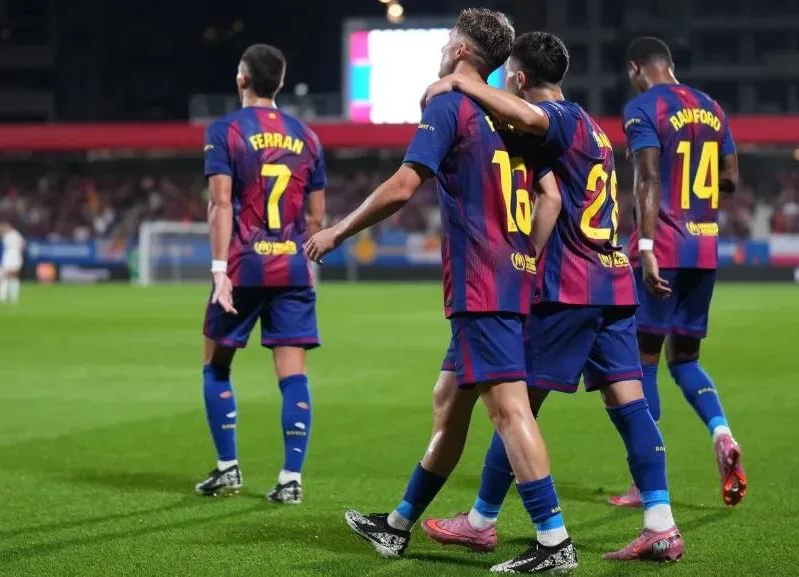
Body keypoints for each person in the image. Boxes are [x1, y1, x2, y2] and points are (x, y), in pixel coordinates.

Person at [305, 9, 578, 574]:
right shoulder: (519, 116)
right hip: (508, 275)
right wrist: (525, 251)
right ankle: (399, 526)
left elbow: (404, 186)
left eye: (448, 40)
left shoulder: (450, 104)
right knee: (448, 401)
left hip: (482, 280)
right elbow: (550, 193)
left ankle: (555, 541)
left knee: (508, 409)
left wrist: (335, 230)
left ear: (459, 51)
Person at [418, 31, 684, 562]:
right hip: (613, 280)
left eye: (506, 77)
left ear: (518, 78)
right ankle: (661, 522)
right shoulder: (595, 128)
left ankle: (482, 521)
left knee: (515, 407)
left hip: (571, 286)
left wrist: (459, 84)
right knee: (628, 405)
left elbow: (535, 125)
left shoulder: (558, 119)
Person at [608, 36, 747, 509]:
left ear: (636, 68)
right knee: (684, 359)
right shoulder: (713, 108)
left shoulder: (643, 108)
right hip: (703, 246)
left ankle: (645, 482)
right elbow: (729, 178)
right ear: (670, 65)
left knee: (641, 361)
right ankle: (722, 433)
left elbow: (647, 177)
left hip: (662, 247)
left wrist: (645, 246)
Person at [196, 43, 327, 505]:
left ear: (242, 79)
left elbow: (220, 204)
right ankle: (291, 478)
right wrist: (302, 268)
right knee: (292, 376)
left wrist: (219, 270)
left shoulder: (226, 130)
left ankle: (228, 468)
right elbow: (316, 218)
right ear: (281, 84)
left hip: (243, 266)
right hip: (291, 266)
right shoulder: (308, 138)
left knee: (216, 365)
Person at [0, 221, 24, 305]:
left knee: (5, 277)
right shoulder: (17, 235)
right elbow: (22, 247)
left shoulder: (7, 236)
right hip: (16, 258)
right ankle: (13, 298)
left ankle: (2, 297)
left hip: (9, 258)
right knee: (13, 278)